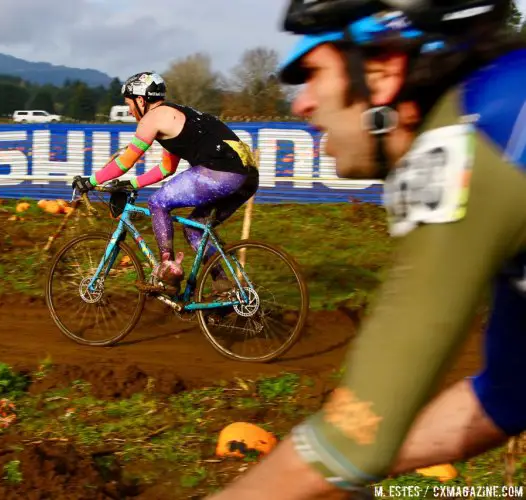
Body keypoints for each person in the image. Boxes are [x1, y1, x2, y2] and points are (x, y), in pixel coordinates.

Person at [208, 0, 526, 498]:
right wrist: (361, 457)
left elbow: (351, 441)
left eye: (314, 72)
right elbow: (507, 396)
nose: (301, 104)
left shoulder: (465, 146)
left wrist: (347, 454)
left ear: (381, 70)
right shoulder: (500, 110)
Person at [72, 72, 259, 294]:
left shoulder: (152, 118)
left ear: (140, 100)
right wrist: (132, 184)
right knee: (194, 228)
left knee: (158, 202)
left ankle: (167, 272)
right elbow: (166, 168)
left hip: (220, 172)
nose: (131, 111)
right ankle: (224, 286)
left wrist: (89, 181)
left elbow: (126, 161)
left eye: (129, 104)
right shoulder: (176, 115)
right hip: (246, 177)